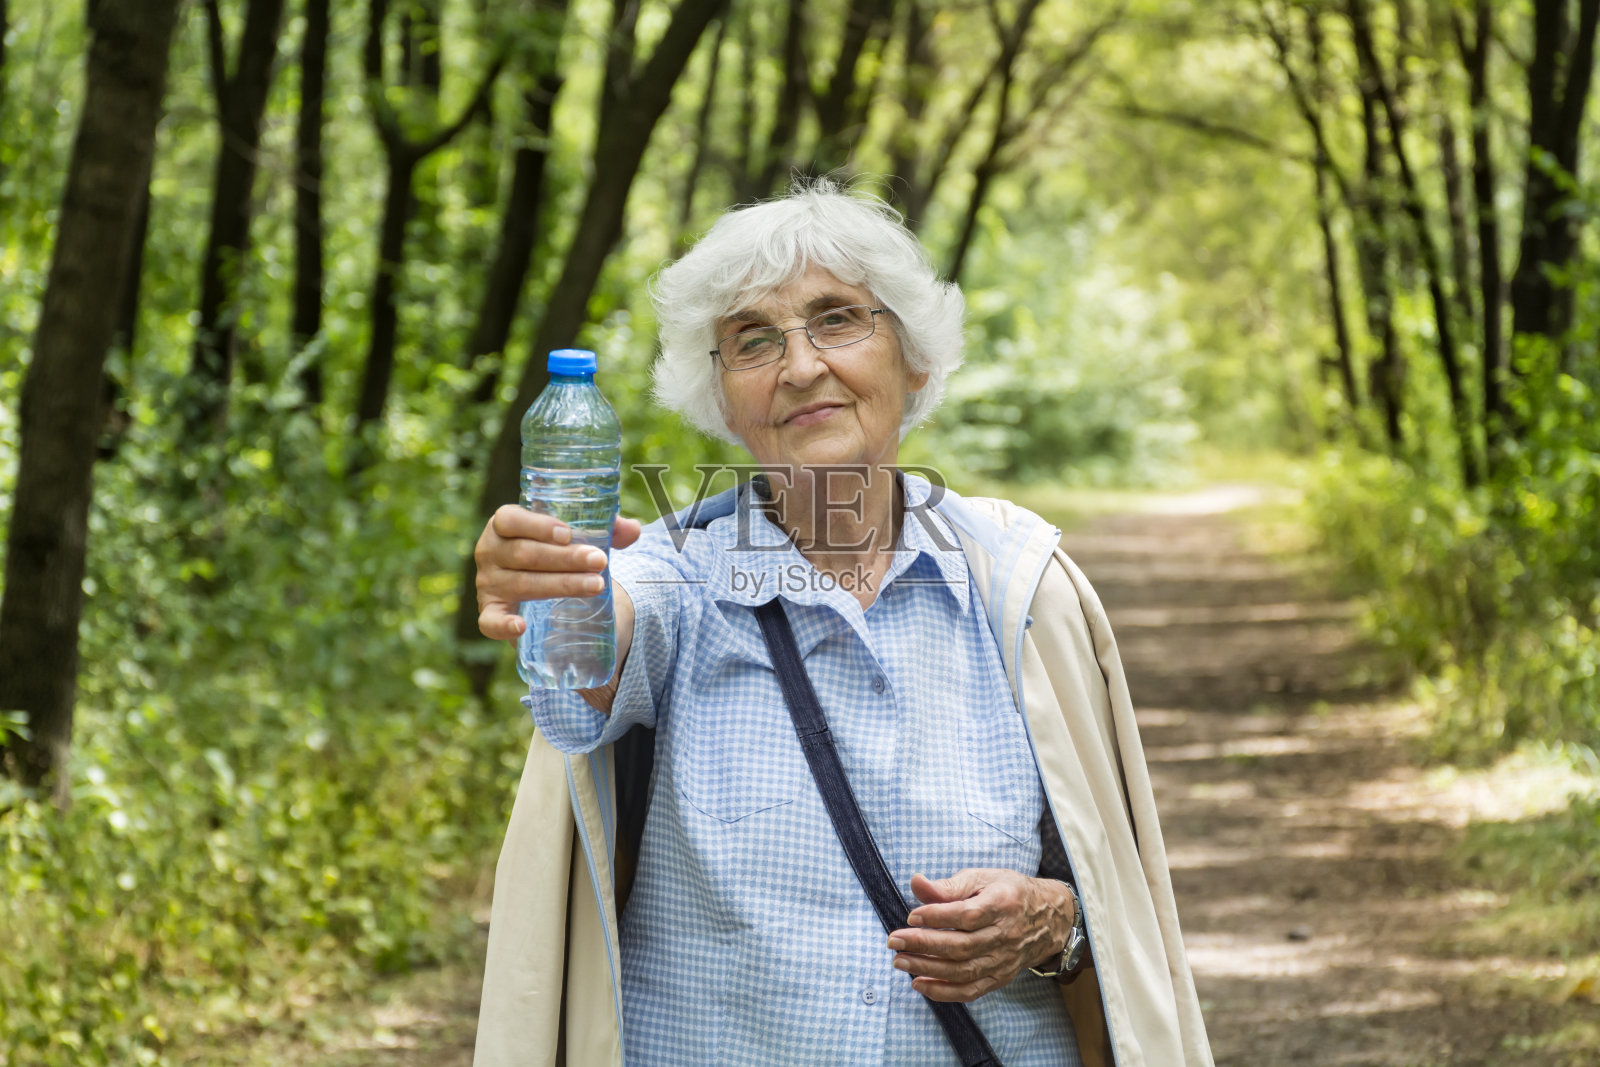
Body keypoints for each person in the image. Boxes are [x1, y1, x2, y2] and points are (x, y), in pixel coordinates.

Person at [470, 182, 1213, 1067]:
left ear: (916, 359)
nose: (799, 367)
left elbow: (1114, 903)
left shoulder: (1023, 591)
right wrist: (560, 586)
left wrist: (1051, 922)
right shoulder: (675, 577)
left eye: (836, 320)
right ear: (722, 396)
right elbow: (591, 653)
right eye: (754, 339)